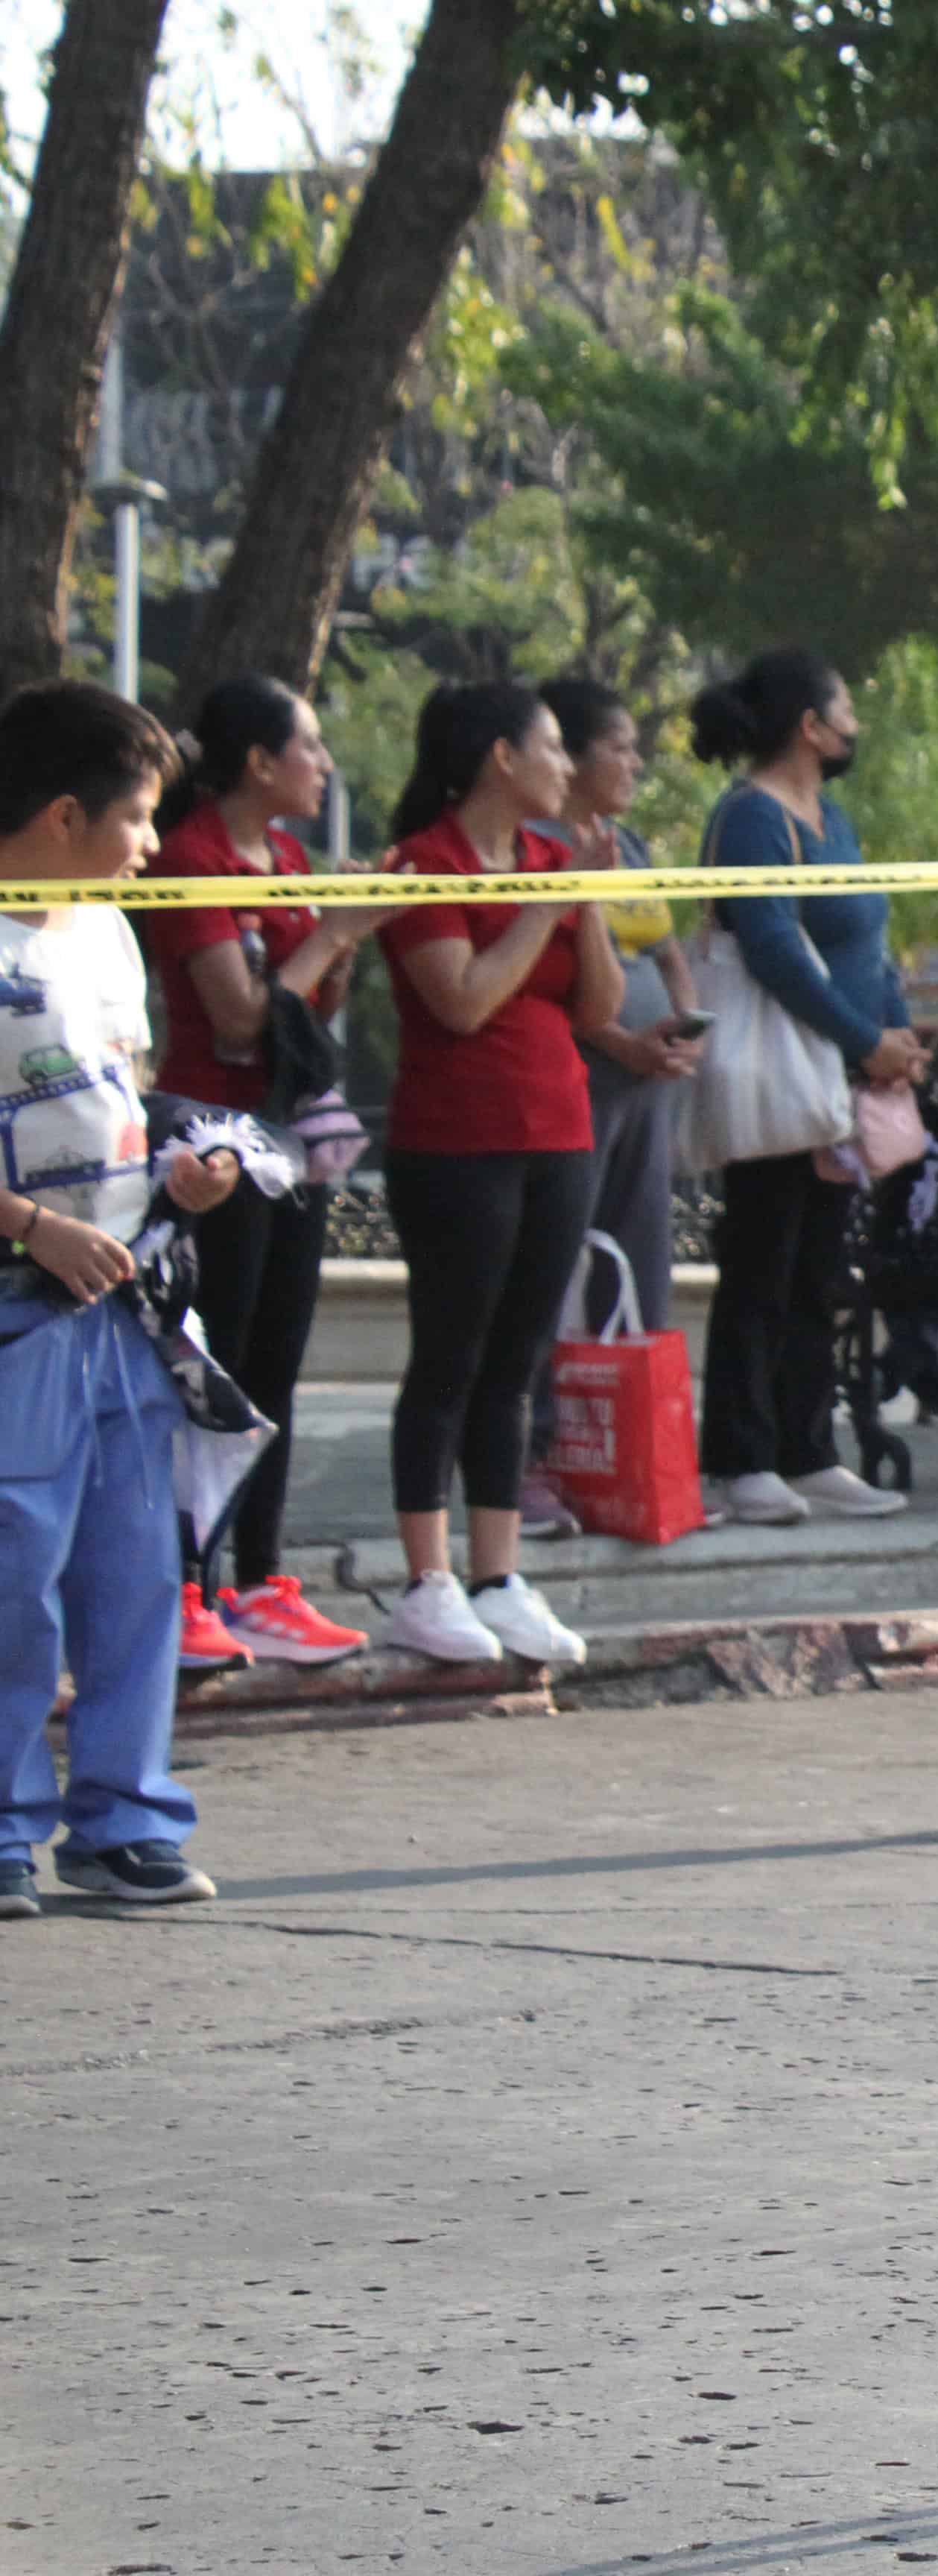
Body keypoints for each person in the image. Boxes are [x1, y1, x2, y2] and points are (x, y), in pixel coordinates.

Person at [0, 681, 245, 1912]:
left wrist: (182, 1172)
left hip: (124, 1298)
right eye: (141, 815)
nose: (153, 841)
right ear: (62, 813)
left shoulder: (104, 930)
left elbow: (123, 1092)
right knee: (12, 1578)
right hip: (19, 1305)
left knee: (136, 1571)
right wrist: (32, 1227)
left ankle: (124, 1820)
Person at [370, 683, 617, 1667]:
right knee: (450, 1357)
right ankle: (426, 1579)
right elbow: (463, 1000)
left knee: (517, 1363)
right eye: (552, 748)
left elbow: (597, 1009)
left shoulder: (555, 860)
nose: (568, 767)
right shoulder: (423, 863)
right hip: (456, 1142)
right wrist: (544, 907)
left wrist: (586, 906)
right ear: (500, 758)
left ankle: (498, 1575)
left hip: (558, 1130)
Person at [136, 674, 380, 1665]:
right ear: (257, 761)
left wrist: (340, 939)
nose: (322, 765)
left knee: (277, 1363)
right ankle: (188, 1584)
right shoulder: (192, 859)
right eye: (308, 746)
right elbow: (238, 1019)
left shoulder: (285, 857)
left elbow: (307, 1007)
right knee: (218, 1362)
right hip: (215, 1142)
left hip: (293, 1137)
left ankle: (262, 1581)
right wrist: (331, 934)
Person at [689, 650, 917, 1528]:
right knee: (763, 1260)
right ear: (810, 727)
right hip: (785, 1071)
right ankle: (742, 1455)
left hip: (843, 1078)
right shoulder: (753, 817)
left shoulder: (836, 818)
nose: (856, 725)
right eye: (845, 709)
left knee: (819, 1269)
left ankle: (808, 1447)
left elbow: (867, 934)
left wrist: (894, 1034)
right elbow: (775, 946)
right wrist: (862, 1036)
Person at [520, 675, 706, 1539]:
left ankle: (643, 1456)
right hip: (579, 1081)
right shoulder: (537, 848)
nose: (634, 764)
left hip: (646, 1088)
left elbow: (666, 952)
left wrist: (684, 1028)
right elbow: (545, 973)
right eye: (618, 748)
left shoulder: (625, 844)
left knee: (640, 1264)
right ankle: (534, 1455)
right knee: (553, 1268)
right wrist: (620, 1041)